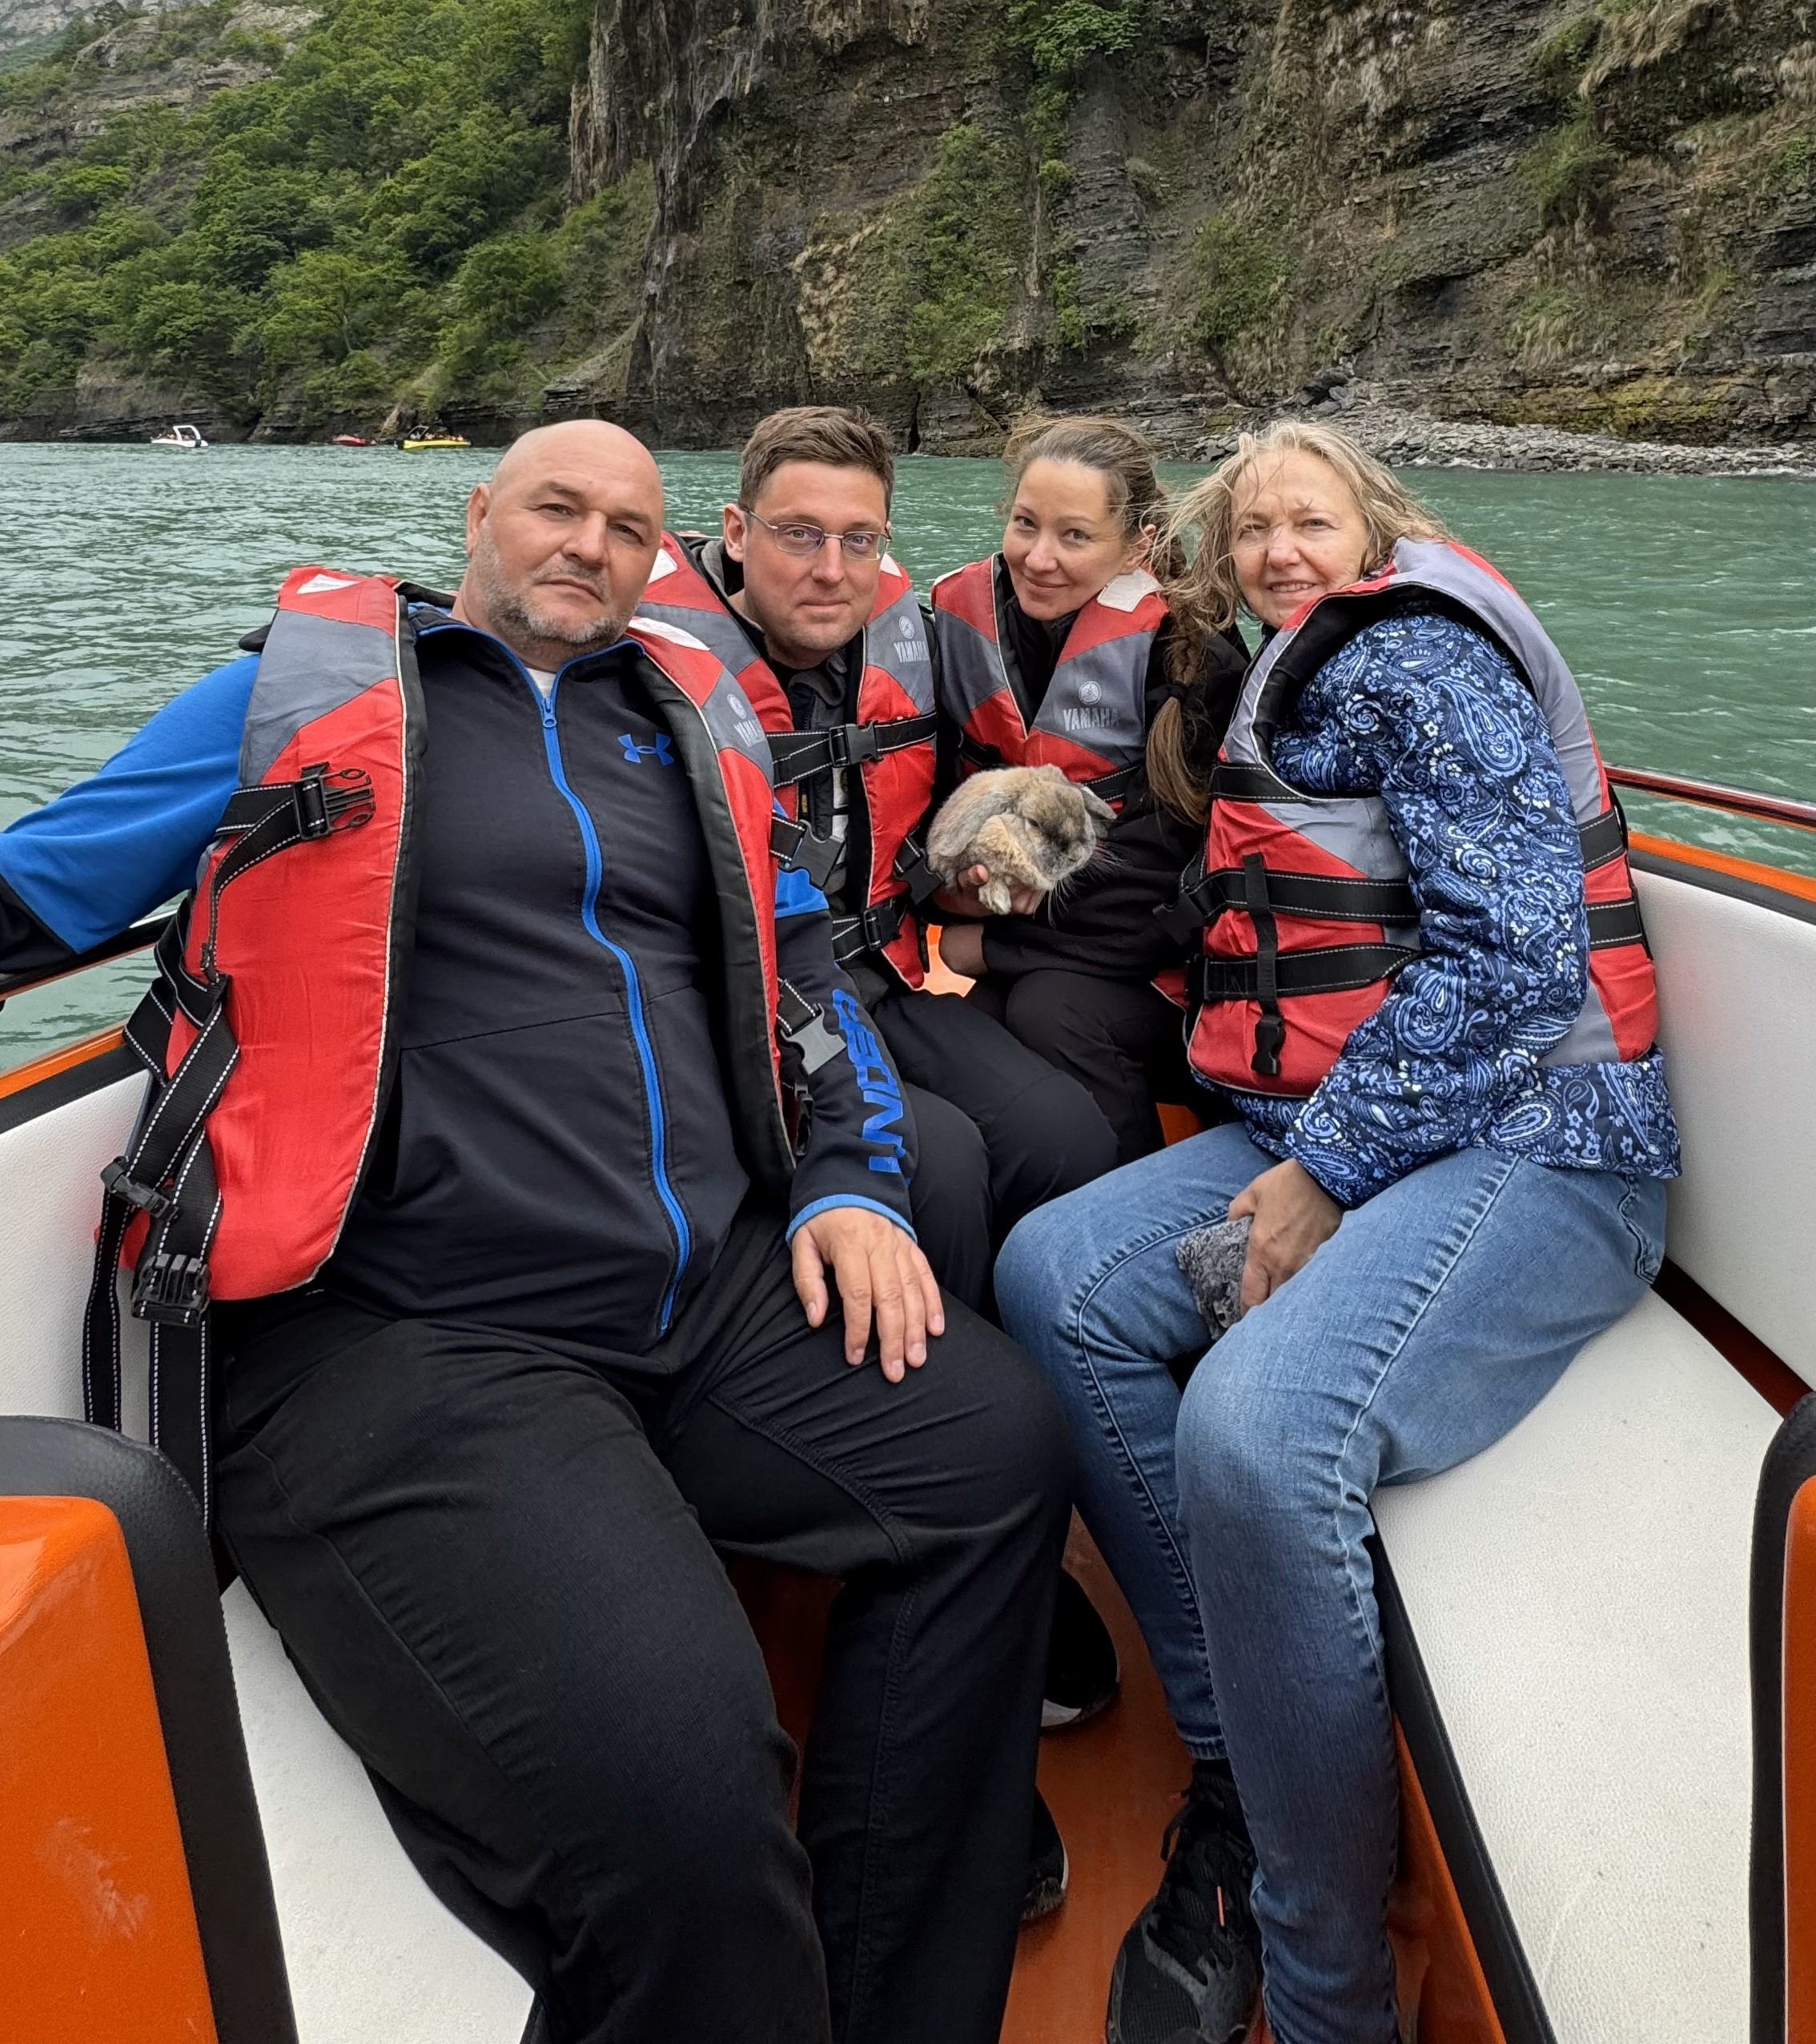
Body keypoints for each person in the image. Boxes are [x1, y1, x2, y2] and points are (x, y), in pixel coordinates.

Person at [1, 422, 1074, 2044]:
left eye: (626, 526)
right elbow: (40, 891)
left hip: (699, 1294)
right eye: (554, 507)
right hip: (407, 1329)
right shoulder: (300, 695)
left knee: (991, 1452)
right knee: (683, 1790)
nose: (588, 543)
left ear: (661, 558)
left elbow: (804, 985)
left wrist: (851, 1183)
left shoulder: (687, 722)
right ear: (477, 515)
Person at [995, 420, 1681, 2044]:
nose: (1277, 551)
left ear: (1375, 527)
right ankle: (1245, 1774)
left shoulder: (1422, 660)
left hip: (1549, 1139)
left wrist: (1327, 1168)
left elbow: (1516, 961)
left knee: (1252, 1432)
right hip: (1367, 1121)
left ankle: (1325, 1987)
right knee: (1055, 1278)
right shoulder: (1298, 674)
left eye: (1308, 520)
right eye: (1251, 531)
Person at [648, 403, 1123, 1876]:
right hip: (746, 1006)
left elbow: (1031, 705)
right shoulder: (650, 657)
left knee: (1066, 1132)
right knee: (945, 1161)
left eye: (859, 539)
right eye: (800, 534)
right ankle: (916, 1520)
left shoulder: (911, 638)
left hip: (882, 964)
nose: (831, 566)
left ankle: (1026, 1512)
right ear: (734, 533)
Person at [929, 413, 1246, 1166]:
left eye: (1075, 536)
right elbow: (921, 800)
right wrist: (959, 894)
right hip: (1045, 938)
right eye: (1025, 524)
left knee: (1049, 1009)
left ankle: (1139, 1207)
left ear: (1137, 545)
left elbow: (1160, 885)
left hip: (1167, 968)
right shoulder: (958, 627)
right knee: (984, 1021)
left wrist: (992, 945)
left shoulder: (1193, 655)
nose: (1039, 558)